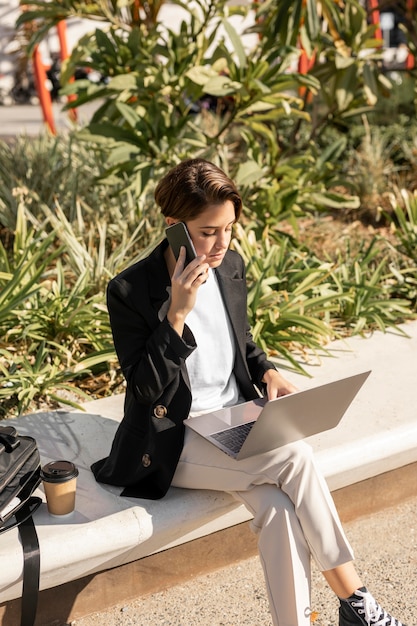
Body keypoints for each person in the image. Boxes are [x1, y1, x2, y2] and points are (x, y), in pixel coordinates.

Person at [92, 159, 406, 626]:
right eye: (207, 232)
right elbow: (143, 390)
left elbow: (240, 339)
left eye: (229, 229)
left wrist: (269, 370)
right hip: (172, 441)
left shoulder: (230, 266)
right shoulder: (131, 290)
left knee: (278, 509)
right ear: (173, 228)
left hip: (232, 420)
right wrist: (175, 315)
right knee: (296, 456)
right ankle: (357, 601)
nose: (221, 244)